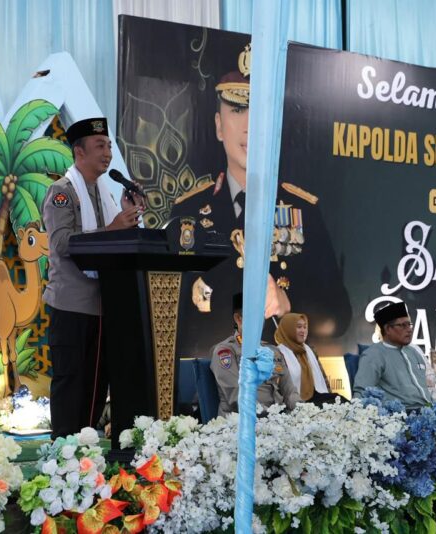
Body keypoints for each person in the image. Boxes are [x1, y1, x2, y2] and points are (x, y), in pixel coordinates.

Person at [170, 44, 351, 357]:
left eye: (260, 113)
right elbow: (172, 313)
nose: (249, 126)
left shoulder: (303, 210)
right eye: (237, 110)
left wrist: (287, 303)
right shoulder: (188, 211)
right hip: (212, 371)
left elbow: (338, 314)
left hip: (280, 370)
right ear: (218, 125)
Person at [42, 117, 145, 439]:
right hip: (71, 306)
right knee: (71, 381)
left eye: (110, 146)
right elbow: (62, 243)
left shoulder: (105, 195)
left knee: (97, 385)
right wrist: (113, 228)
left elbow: (113, 241)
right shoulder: (62, 192)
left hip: (105, 306)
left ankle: (85, 449)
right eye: (100, 146)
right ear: (79, 152)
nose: (108, 153)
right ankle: (63, 451)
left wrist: (128, 216)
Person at [210, 293, 300, 417]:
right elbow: (237, 396)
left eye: (261, 315)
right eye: (253, 315)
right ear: (238, 319)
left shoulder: (273, 350)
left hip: (278, 419)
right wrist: (270, 415)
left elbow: (289, 391)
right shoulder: (226, 351)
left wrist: (303, 410)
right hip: (244, 421)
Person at [352, 302, 436, 410]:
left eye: (409, 324)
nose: (409, 329)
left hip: (429, 411)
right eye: (402, 325)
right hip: (401, 415)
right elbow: (361, 393)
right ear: (388, 329)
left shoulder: (414, 352)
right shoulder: (374, 355)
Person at [274, 313, 344, 406]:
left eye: (305, 327)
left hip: (317, 396)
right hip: (294, 402)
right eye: (299, 327)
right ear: (288, 329)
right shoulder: (278, 353)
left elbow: (324, 380)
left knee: (341, 401)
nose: (303, 331)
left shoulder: (309, 350)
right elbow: (277, 386)